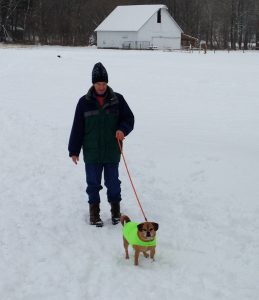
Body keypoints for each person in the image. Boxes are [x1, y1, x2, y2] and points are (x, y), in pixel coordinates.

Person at [68, 62, 134, 227]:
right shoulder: (83, 102)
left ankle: (115, 212)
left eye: (104, 83)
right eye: (98, 83)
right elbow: (77, 127)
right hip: (92, 152)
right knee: (93, 183)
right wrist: (74, 150)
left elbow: (129, 119)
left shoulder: (117, 99)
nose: (101, 87)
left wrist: (122, 130)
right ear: (93, 83)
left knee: (113, 183)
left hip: (112, 150)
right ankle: (94, 213)